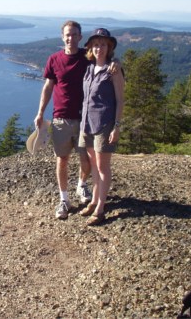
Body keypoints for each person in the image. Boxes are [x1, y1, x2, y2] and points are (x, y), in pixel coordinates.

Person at [34, 20, 93, 220]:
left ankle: (82, 186)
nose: (70, 38)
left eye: (74, 34)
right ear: (62, 36)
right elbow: (48, 87)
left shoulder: (88, 57)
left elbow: (107, 60)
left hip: (84, 118)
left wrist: (116, 64)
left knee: (86, 159)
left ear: (80, 36)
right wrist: (40, 112)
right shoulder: (54, 59)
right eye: (67, 34)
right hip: (60, 118)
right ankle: (64, 199)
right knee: (62, 160)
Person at [78, 28, 125, 226]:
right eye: (96, 45)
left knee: (103, 167)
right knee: (94, 165)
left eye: (103, 44)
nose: (99, 48)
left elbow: (121, 100)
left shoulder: (113, 70)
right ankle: (95, 200)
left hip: (104, 124)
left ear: (109, 47)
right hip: (87, 123)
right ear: (91, 47)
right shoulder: (89, 69)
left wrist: (117, 126)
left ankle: (100, 209)